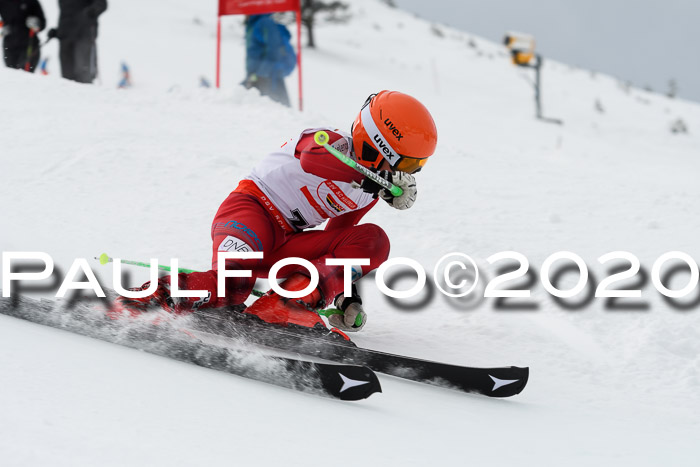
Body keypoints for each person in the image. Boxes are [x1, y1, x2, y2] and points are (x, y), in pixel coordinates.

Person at [116, 91, 438, 333]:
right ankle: (133, 302)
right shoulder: (329, 141)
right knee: (233, 287)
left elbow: (333, 244)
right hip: (249, 212)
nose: (407, 175)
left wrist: (345, 293)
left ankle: (284, 305)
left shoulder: (366, 191)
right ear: (377, 145)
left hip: (285, 243)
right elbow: (313, 159)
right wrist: (368, 179)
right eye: (405, 163)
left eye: (415, 167)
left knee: (373, 240)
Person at [243, 14, 296, 107]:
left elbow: (274, 50)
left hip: (269, 76)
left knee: (275, 108)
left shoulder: (265, 22)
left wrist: (261, 74)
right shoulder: (253, 23)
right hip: (256, 76)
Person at [47, 0, 107, 83]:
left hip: (84, 34)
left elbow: (101, 4)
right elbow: (66, 14)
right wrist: (58, 31)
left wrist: (92, 11)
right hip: (65, 37)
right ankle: (67, 94)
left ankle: (86, 93)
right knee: (66, 76)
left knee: (83, 72)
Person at [0, 0, 46, 72]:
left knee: (24, 75)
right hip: (9, 45)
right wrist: (3, 26)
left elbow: (43, 23)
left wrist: (37, 23)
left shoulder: (31, 2)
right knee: (11, 75)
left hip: (29, 45)